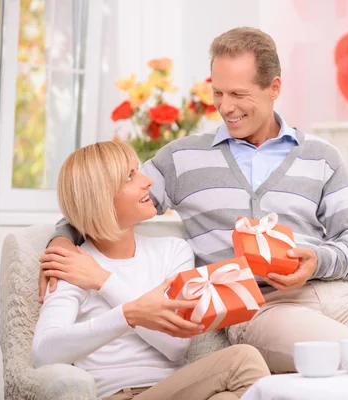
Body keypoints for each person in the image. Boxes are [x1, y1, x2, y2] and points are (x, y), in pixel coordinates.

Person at [40, 27, 348, 373]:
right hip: (259, 309)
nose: (225, 107)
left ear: (274, 87)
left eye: (238, 94)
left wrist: (318, 261)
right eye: (218, 93)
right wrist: (62, 238)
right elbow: (105, 195)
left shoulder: (321, 157)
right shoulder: (183, 158)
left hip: (339, 295)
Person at [33, 141, 270, 399]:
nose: (147, 181)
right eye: (130, 177)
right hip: (118, 393)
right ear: (100, 198)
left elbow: (176, 346)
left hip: (176, 389)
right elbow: (44, 353)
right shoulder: (74, 265)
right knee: (243, 359)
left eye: (139, 171)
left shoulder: (172, 251)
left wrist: (106, 283)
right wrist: (128, 314)